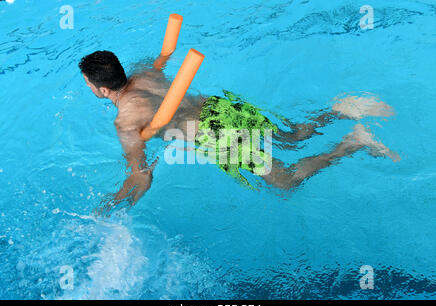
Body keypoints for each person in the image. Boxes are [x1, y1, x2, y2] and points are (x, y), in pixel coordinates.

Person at [78, 50, 400, 213]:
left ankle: (352, 143)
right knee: (293, 137)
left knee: (284, 181)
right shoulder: (145, 70)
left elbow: (142, 176)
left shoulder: (125, 121)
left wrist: (109, 207)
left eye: (89, 84)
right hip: (219, 107)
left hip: (215, 134)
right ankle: (342, 109)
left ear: (103, 89)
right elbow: (163, 61)